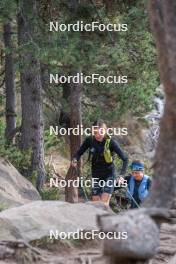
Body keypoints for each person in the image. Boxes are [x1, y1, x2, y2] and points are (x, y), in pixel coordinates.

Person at [71, 119, 128, 207]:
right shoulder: (90, 140)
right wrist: (75, 159)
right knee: (95, 205)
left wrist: (121, 176)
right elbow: (79, 152)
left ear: (105, 130)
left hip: (109, 173)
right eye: (95, 132)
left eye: (100, 132)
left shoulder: (111, 142)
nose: (97, 135)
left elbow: (125, 159)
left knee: (104, 205)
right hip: (96, 173)